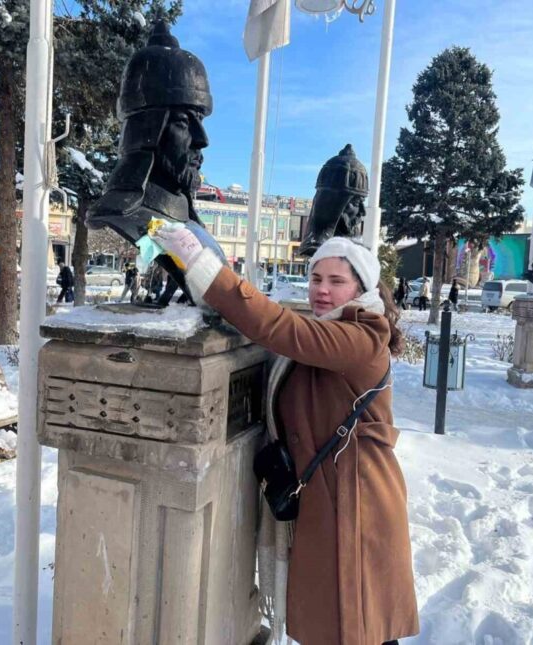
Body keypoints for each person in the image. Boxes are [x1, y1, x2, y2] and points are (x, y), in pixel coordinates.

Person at [152, 228, 419, 645]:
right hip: (331, 496)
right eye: (316, 278)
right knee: (340, 620)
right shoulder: (330, 327)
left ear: (361, 289)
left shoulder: (363, 337)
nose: (322, 290)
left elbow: (280, 329)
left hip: (357, 502)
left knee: (357, 621)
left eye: (336, 281)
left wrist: (207, 267)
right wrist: (200, 288)